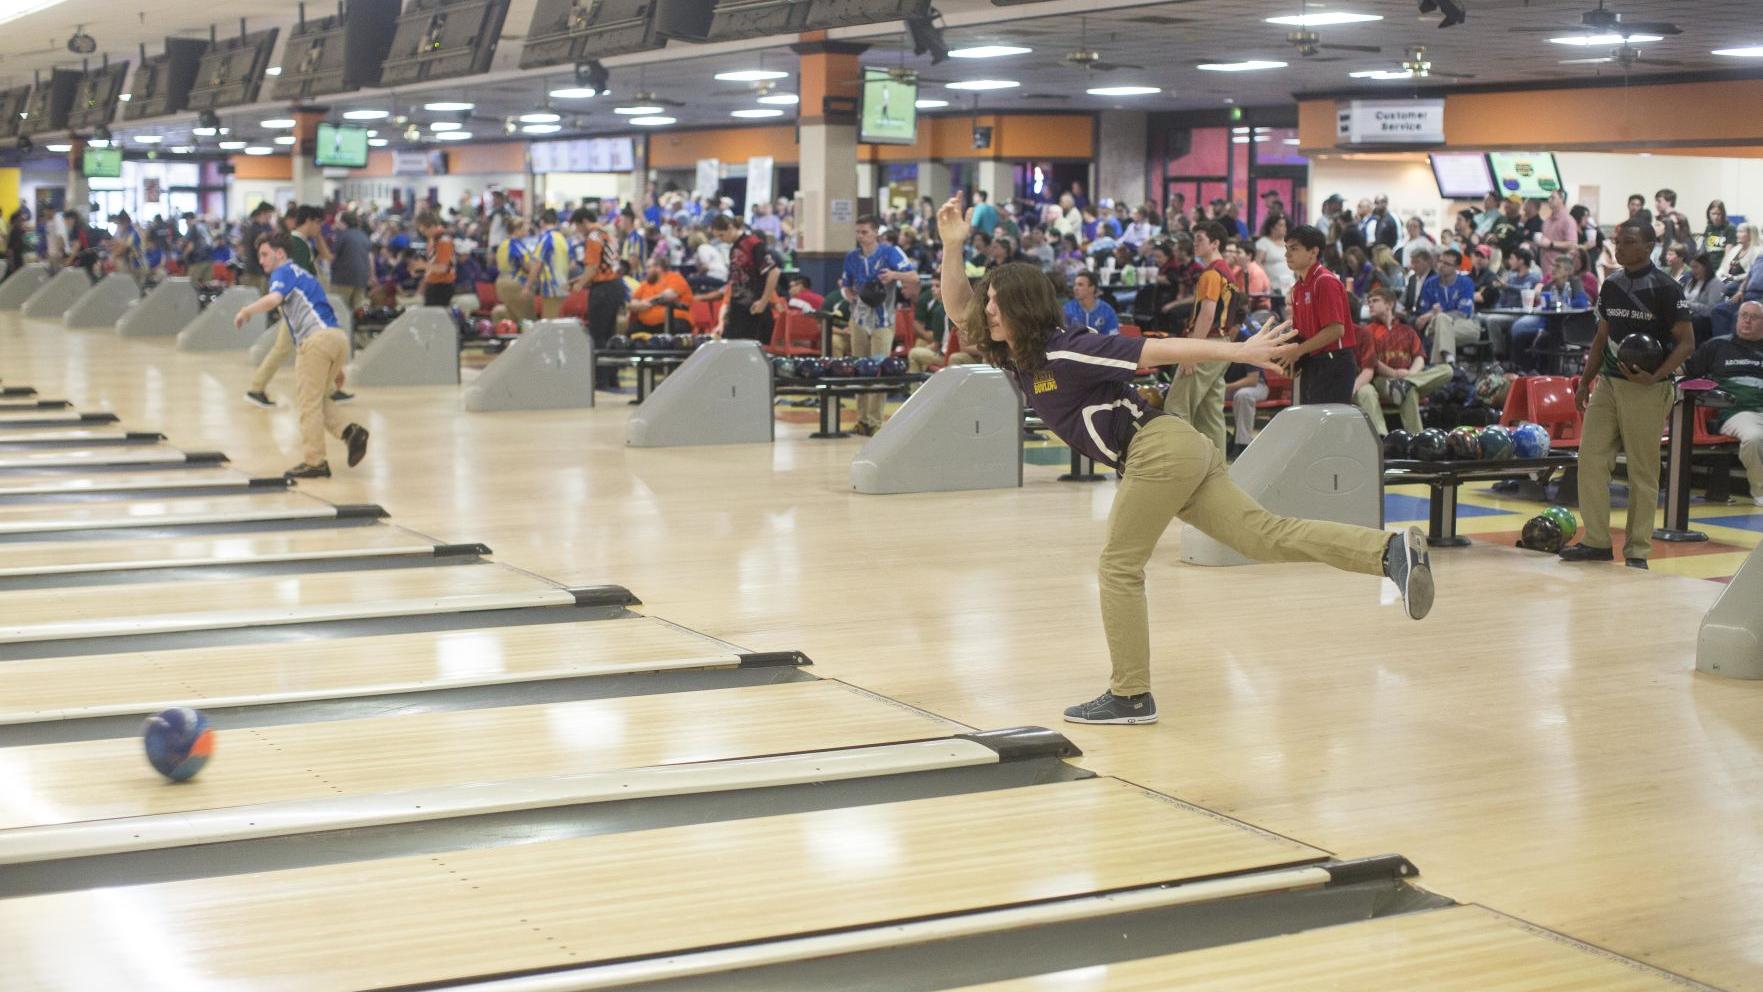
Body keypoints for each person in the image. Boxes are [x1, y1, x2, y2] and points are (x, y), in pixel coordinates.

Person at [931, 193, 1432, 726]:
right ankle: (1389, 553)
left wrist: (1238, 351)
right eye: (988, 305)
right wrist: (952, 247)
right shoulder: (1022, 354)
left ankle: (1130, 695)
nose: (985, 313)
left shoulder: (1067, 348)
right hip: (1176, 448)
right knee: (1264, 535)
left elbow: (1159, 349)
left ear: (1023, 309)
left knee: (1118, 565)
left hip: (1157, 452)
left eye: (996, 305)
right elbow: (957, 307)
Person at [1560, 220, 1695, 570]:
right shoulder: (1612, 284)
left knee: (1642, 470)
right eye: (1618, 241)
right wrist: (1584, 381)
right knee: (1590, 460)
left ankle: (1637, 550)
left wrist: (1656, 377)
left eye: (1630, 241)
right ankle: (1596, 541)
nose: (1620, 247)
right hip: (1607, 382)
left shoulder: (1667, 288)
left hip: (1646, 389)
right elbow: (1602, 338)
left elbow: (1687, 343)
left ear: (1650, 245)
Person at [231, 233, 368, 479]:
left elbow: (274, 299)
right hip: (336, 338)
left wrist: (247, 311)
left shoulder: (282, 272)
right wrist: (336, 368)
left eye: (264, 254)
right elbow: (323, 311)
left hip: (314, 343)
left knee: (308, 404)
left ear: (280, 254)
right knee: (318, 400)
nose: (261, 261)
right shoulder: (306, 275)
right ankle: (351, 432)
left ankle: (315, 462)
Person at [841, 214, 918, 435]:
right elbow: (846, 285)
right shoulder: (852, 257)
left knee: (877, 370)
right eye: (857, 232)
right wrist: (849, 295)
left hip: (883, 320)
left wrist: (894, 274)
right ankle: (862, 419)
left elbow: (913, 277)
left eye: (864, 232)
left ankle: (874, 422)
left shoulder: (890, 252)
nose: (860, 236)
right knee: (860, 370)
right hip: (858, 318)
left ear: (876, 232)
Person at [1165, 221, 1239, 453]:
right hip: (1222, 346)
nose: (1195, 243)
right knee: (1210, 413)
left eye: (1200, 239)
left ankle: (1181, 465)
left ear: (1215, 243)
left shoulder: (1211, 274)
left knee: (1176, 407)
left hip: (1207, 345)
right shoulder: (1228, 272)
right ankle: (1217, 473)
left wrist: (1191, 353)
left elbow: (1206, 316)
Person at [245, 205, 327, 409]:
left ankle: (330, 389)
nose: (320, 229)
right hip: (298, 306)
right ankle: (256, 388)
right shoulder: (297, 244)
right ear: (309, 221)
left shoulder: (297, 242)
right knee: (287, 348)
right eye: (319, 224)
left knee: (312, 346)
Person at [1682, 301, 1763, 505]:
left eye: (1754, 317)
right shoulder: (1717, 345)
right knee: (1754, 438)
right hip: (1737, 412)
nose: (1747, 320)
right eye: (1743, 315)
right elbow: (1685, 371)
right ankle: (1760, 492)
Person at [1354, 288, 1453, 436]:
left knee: (1447, 370)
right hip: (1382, 381)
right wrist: (1394, 374)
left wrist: (1410, 376)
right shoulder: (1368, 331)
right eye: (1369, 302)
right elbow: (1372, 362)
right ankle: (1414, 437)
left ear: (1389, 304)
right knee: (1409, 391)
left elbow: (1419, 357)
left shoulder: (1407, 330)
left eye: (1375, 301)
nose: (1370, 305)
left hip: (1407, 380)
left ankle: (1408, 386)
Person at [1283, 224, 1360, 405]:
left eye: (1294, 249)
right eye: (1286, 249)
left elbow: (1336, 330)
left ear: (1313, 252)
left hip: (1334, 362)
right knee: (1311, 425)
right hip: (1312, 361)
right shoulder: (1297, 288)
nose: (1287, 255)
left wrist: (1298, 351)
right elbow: (1302, 335)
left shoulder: (1325, 281)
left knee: (1327, 428)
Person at [570, 208, 623, 386]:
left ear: (584, 221)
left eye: (577, 226)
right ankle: (612, 378)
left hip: (602, 290)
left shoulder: (593, 238)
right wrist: (581, 278)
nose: (577, 231)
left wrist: (578, 285)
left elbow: (592, 269)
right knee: (610, 335)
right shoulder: (609, 236)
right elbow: (604, 266)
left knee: (597, 334)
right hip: (616, 287)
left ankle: (600, 379)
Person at [1511, 254, 1592, 371]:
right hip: (1548, 325)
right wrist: (1541, 329)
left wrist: (1562, 303)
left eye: (1557, 266)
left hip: (1571, 328)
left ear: (1568, 271)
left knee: (1548, 339)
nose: (1553, 269)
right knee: (1519, 337)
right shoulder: (1548, 287)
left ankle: (1549, 374)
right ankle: (1525, 372)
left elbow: (1581, 303)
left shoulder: (1574, 282)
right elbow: (1545, 310)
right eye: (1553, 265)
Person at [712, 213, 779, 343]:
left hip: (754, 310)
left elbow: (774, 272)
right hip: (739, 310)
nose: (721, 240)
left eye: (721, 235)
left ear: (731, 227)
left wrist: (763, 301)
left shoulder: (752, 244)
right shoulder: (735, 248)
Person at [1415, 247, 1479, 364]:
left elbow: (1462, 313)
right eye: (1440, 261)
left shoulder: (1466, 283)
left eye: (1447, 264)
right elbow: (1423, 311)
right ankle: (1449, 362)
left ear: (1457, 267)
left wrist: (1435, 314)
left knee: (1440, 324)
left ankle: (1439, 369)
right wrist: (1432, 315)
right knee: (1440, 322)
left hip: (1464, 325)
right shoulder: (1430, 283)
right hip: (1434, 326)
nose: (1441, 266)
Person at [1481, 247, 1540, 360]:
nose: (1509, 261)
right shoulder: (1512, 277)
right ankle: (1481, 356)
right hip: (1505, 312)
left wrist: (1507, 287)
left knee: (1492, 320)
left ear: (1521, 261)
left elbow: (1525, 290)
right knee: (1480, 318)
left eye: (1512, 258)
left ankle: (1499, 355)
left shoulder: (1533, 277)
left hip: (1520, 314)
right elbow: (1503, 297)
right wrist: (1497, 307)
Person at [524, 209, 572, 320]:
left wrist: (527, 286)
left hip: (551, 286)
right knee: (556, 321)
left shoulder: (546, 239)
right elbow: (570, 263)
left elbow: (537, 264)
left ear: (541, 222)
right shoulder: (563, 239)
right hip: (563, 285)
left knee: (549, 322)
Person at [628, 255, 693, 333]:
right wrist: (640, 305)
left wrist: (647, 303)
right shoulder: (645, 284)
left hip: (673, 321)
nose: (646, 271)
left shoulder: (675, 278)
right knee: (630, 332)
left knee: (676, 329)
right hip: (646, 324)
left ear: (658, 267)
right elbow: (632, 303)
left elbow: (668, 296)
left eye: (648, 267)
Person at [329, 211, 374, 318]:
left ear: (344, 223)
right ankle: (365, 322)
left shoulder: (342, 235)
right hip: (361, 279)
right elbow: (370, 257)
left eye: (338, 222)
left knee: (340, 308)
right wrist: (371, 275)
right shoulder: (364, 235)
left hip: (343, 279)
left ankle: (344, 331)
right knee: (361, 305)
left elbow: (332, 257)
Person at [492, 215, 533, 324]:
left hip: (501, 282)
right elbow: (526, 266)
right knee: (526, 318)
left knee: (511, 315)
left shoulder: (502, 244)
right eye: (524, 228)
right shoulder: (516, 244)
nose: (526, 230)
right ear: (517, 229)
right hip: (515, 284)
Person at [1682, 253, 1726, 346]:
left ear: (1706, 267)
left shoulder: (1715, 284)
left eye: (1696, 267)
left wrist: (1689, 304)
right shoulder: (1691, 281)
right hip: (1687, 315)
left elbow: (1711, 310)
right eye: (1692, 267)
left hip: (1704, 321)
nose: (1693, 270)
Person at [237, 202, 277, 293]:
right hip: (256, 273)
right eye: (269, 215)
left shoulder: (254, 228)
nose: (270, 218)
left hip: (252, 270)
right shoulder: (257, 231)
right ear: (263, 213)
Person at [1255, 213, 1294, 295]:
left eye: (1285, 225)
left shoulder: (1289, 243)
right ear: (1272, 228)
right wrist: (1266, 280)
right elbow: (1257, 263)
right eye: (1281, 225)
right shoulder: (1263, 243)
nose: (1284, 228)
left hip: (1290, 285)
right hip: (1273, 287)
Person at [1698, 200, 1737, 276]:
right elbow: (1704, 249)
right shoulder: (1709, 227)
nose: (1716, 217)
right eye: (1713, 214)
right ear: (1708, 214)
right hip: (1708, 267)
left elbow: (1728, 254)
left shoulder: (1730, 228)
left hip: (1721, 268)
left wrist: (1722, 271)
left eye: (1718, 214)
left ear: (1723, 214)